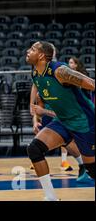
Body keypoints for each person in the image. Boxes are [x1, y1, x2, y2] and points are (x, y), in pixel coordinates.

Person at [26, 41, 95, 200]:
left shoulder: (60, 71)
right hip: (63, 121)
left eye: (33, 49)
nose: (28, 51)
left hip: (84, 121)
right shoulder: (36, 74)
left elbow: (91, 84)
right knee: (34, 149)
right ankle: (51, 197)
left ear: (42, 55)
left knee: (92, 169)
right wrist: (36, 118)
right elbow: (40, 98)